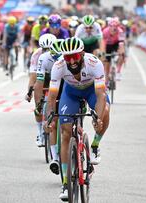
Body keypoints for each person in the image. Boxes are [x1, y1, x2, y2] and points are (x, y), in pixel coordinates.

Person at [45, 37, 110, 201]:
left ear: (82, 54)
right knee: (65, 132)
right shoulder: (58, 66)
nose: (72, 61)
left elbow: (101, 95)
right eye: (68, 57)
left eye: (75, 56)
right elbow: (52, 97)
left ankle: (95, 144)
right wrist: (50, 118)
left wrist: (98, 118)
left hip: (91, 91)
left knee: (106, 111)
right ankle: (66, 183)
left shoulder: (94, 63)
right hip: (71, 93)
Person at [34, 38, 63, 174]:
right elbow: (39, 83)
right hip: (49, 78)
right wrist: (38, 104)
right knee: (53, 120)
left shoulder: (66, 59)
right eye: (54, 56)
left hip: (65, 82)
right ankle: (55, 158)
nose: (57, 59)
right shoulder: (43, 58)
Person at [26, 34, 57, 147]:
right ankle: (40, 132)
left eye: (49, 49)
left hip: (56, 75)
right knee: (38, 104)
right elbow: (33, 76)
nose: (46, 51)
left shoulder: (59, 52)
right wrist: (30, 92)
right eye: (44, 49)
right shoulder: (36, 55)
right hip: (43, 75)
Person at [102, 18, 126, 82]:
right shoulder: (105, 31)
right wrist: (103, 53)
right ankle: (106, 78)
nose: (113, 29)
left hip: (116, 43)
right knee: (106, 61)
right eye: (112, 27)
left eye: (115, 28)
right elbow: (103, 44)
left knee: (122, 54)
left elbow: (121, 44)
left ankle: (118, 71)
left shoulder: (120, 31)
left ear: (117, 27)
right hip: (108, 45)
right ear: (109, 27)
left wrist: (121, 52)